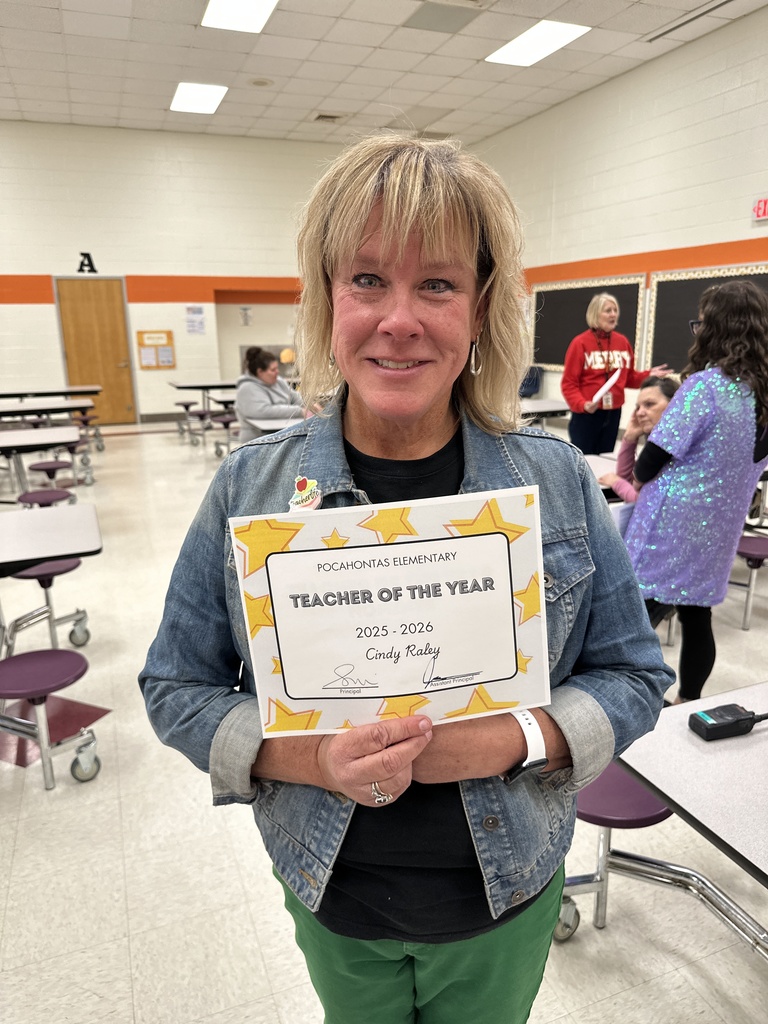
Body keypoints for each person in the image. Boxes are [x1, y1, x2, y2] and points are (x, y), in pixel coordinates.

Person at [139, 134, 671, 1024]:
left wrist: (512, 739)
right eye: (367, 280)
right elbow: (174, 687)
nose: (400, 318)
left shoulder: (557, 481)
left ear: (479, 305)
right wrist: (308, 758)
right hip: (333, 893)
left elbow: (634, 676)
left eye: (437, 283)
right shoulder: (249, 488)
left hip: (505, 894)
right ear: (327, 298)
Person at [624, 279, 768, 704]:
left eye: (700, 324)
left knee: (634, 619)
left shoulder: (705, 388)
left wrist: (635, 477)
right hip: (720, 529)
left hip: (672, 527)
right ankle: (689, 700)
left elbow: (653, 459)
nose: (696, 331)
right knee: (696, 615)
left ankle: (618, 701)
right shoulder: (762, 396)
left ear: (717, 330)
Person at [561, 292, 668, 455]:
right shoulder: (580, 343)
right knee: (583, 459)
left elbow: (629, 378)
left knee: (605, 456)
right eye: (608, 310)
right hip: (587, 414)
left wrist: (649, 374)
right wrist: (582, 404)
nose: (613, 315)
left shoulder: (622, 342)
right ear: (595, 314)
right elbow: (569, 384)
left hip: (613, 412)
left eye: (615, 310)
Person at [597, 375, 680, 502]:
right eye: (638, 407)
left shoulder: (677, 448)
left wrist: (616, 483)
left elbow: (646, 502)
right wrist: (629, 438)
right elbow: (628, 480)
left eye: (649, 404)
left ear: (674, 405)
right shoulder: (655, 444)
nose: (640, 413)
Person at [234, 345, 305, 441]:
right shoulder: (247, 388)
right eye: (273, 370)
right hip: (257, 439)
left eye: (277, 368)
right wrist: (299, 411)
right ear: (260, 372)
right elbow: (263, 411)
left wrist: (308, 406)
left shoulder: (278, 381)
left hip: (282, 434)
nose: (277, 372)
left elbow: (294, 397)